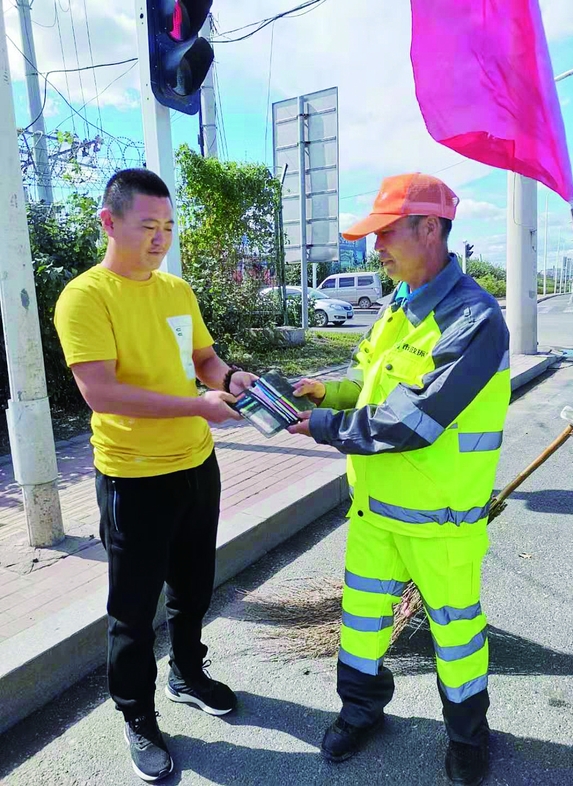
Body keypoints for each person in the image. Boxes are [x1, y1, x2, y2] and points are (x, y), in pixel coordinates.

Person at [289, 173, 510, 785]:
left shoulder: (475, 321)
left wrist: (327, 425)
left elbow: (413, 419)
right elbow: (369, 387)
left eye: (386, 233)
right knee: (361, 622)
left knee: (457, 635)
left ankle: (468, 739)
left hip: (442, 523)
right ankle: (360, 712)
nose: (376, 247)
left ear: (431, 229)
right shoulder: (395, 305)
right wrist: (325, 392)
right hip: (374, 512)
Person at [54, 168, 256, 783]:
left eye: (167, 227)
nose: (160, 238)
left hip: (197, 465)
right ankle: (136, 713)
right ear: (109, 222)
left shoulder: (176, 290)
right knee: (132, 609)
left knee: (194, 588)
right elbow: (102, 392)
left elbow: (201, 358)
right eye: (148, 226)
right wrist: (199, 404)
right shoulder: (85, 297)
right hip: (134, 478)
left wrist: (227, 380)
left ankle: (187, 674)